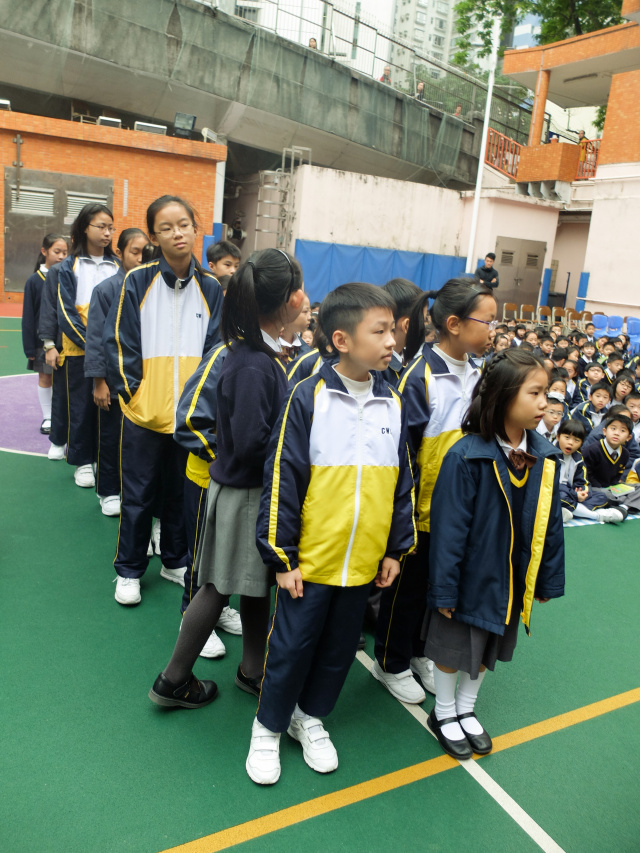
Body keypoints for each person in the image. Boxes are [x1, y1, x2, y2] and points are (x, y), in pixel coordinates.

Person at [246, 282, 416, 784]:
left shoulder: (392, 402)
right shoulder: (308, 397)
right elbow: (282, 479)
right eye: (379, 331)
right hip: (311, 562)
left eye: (392, 330)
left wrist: (395, 549)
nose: (392, 341)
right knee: (292, 646)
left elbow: (402, 481)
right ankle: (268, 726)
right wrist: (282, 558)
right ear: (341, 340)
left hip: (363, 562)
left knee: (340, 648)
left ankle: (310, 716)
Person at [148, 248, 304, 707]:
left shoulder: (250, 351)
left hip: (238, 488)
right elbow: (254, 442)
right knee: (217, 587)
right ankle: (173, 680)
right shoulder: (256, 362)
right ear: (290, 300)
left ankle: (252, 669)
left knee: (250, 583)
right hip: (248, 493)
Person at [425, 349, 565, 760]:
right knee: (453, 648)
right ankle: (443, 711)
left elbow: (551, 522)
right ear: (504, 395)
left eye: (547, 393)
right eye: (535, 393)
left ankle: (466, 709)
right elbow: (448, 531)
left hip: (512, 574)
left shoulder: (546, 456)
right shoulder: (465, 455)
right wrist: (445, 589)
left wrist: (546, 577)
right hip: (471, 575)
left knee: (491, 646)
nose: (545, 404)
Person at [373, 279, 496, 705]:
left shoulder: (480, 373)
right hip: (420, 510)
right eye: (488, 321)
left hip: (459, 512)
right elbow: (403, 453)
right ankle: (390, 661)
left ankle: (420, 652)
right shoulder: (419, 376)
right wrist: (404, 513)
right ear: (454, 324)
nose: (494, 330)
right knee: (405, 592)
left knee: (437, 591)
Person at [104, 195, 224, 606]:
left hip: (189, 420)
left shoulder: (211, 287)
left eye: (184, 224)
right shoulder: (137, 281)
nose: (178, 234)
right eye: (167, 228)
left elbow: (215, 351)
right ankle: (129, 570)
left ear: (196, 228)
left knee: (180, 496)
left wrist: (201, 407)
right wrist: (135, 395)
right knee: (138, 497)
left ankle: (174, 561)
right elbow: (118, 342)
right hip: (143, 415)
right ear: (154, 236)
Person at [39, 204, 120, 488]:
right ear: (85, 227)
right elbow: (64, 311)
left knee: (108, 408)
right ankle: (82, 461)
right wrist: (90, 345)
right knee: (80, 407)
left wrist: (111, 346)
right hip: (77, 350)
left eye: (111, 227)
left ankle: (99, 458)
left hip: (111, 351)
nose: (107, 233)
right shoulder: (68, 267)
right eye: (101, 226)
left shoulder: (117, 266)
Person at [172, 342, 243, 659]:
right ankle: (192, 615)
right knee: (201, 555)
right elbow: (188, 421)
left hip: (241, 481)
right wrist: (226, 459)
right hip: (207, 478)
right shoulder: (223, 355)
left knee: (227, 552)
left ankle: (218, 607)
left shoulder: (280, 355)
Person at [83, 228, 148, 516]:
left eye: (145, 252)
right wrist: (99, 381)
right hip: (112, 378)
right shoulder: (106, 290)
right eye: (135, 252)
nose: (141, 258)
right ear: (120, 253)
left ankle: (135, 492)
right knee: (111, 435)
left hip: (144, 378)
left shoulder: (152, 287)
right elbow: (96, 338)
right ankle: (108, 491)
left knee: (142, 440)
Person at [22, 234, 69, 434]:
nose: (61, 256)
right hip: (43, 342)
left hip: (66, 340)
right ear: (44, 251)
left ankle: (65, 416)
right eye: (57, 252)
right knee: (45, 378)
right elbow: (28, 317)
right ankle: (48, 417)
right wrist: (29, 348)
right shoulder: (34, 281)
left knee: (65, 381)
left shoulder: (68, 277)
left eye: (65, 252)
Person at [555, 420, 623, 524]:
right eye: (567, 437)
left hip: (572, 493)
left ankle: (568, 510)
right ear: (558, 437)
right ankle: (596, 515)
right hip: (556, 491)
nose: (571, 443)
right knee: (559, 497)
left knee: (602, 497)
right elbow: (551, 483)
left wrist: (583, 493)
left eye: (576, 440)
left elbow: (583, 481)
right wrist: (574, 495)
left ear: (581, 443)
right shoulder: (550, 455)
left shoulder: (578, 458)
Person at [381, 278, 422, 385]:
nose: (425, 328)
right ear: (407, 325)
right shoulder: (380, 371)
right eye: (424, 320)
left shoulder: (410, 360)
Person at [279, 291, 312, 364]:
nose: (309, 317)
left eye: (310, 312)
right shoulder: (268, 348)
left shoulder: (307, 351)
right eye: (305, 311)